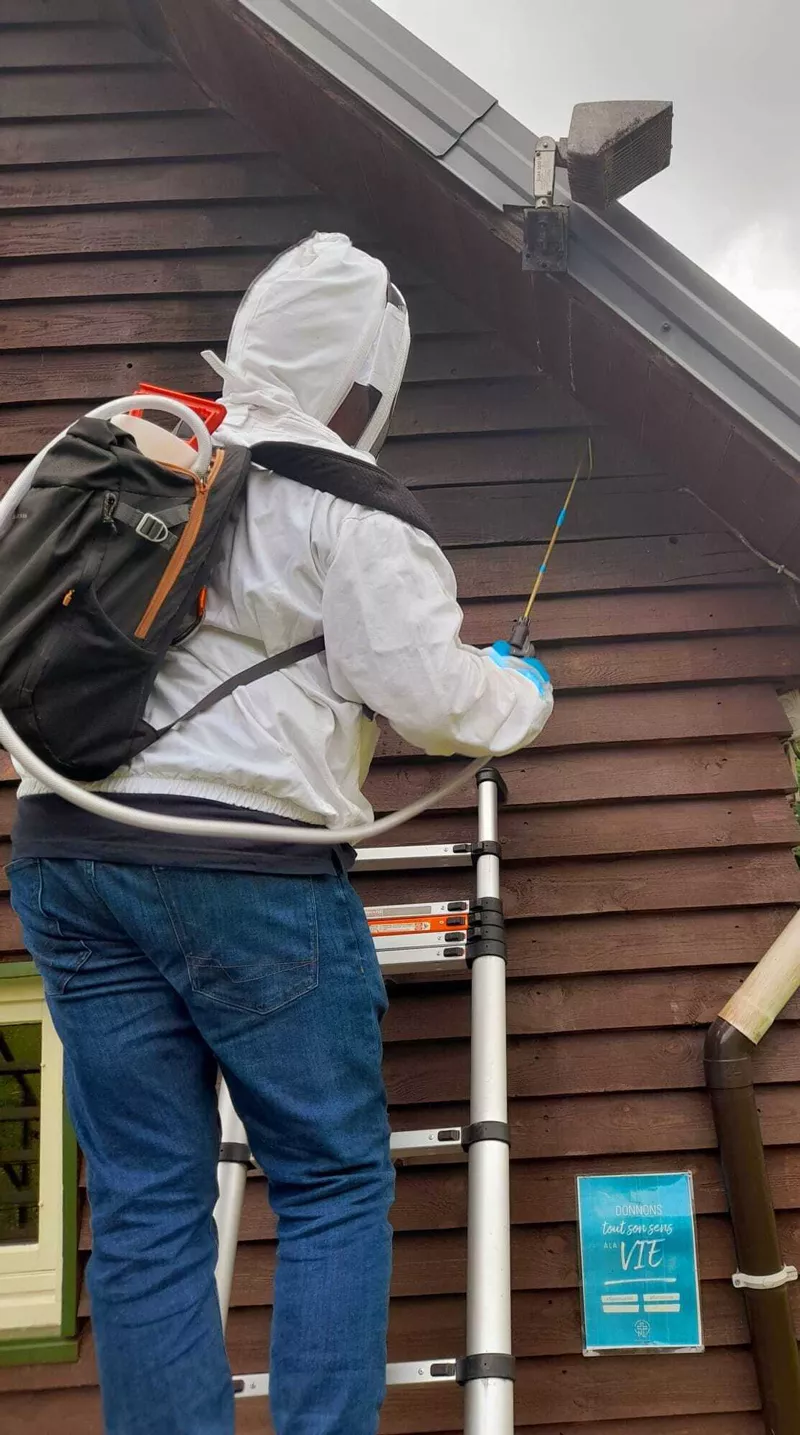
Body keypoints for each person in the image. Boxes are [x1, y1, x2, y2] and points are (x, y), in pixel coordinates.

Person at [7, 233, 554, 1435]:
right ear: (366, 379)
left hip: (66, 853)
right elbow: (428, 696)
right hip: (246, 871)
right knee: (328, 1179)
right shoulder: (353, 508)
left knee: (147, 1200)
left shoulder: (126, 449)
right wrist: (521, 690)